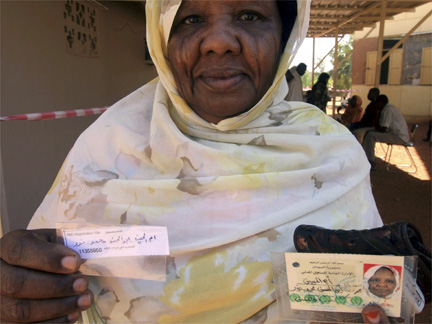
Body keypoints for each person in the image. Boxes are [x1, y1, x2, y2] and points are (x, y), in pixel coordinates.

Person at [0, 0, 383, 323]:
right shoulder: (109, 149)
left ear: (284, 35)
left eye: (249, 15)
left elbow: (371, 293)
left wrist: (385, 301)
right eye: (191, 19)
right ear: (162, 38)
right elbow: (52, 279)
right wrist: (25, 286)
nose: (218, 43)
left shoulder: (331, 155)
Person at [362, 95, 409, 170]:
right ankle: (367, 157)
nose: (376, 105)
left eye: (378, 103)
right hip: (396, 134)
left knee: (371, 135)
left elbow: (384, 128)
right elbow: (380, 126)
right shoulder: (387, 108)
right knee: (369, 133)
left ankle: (370, 160)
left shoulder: (388, 110)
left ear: (382, 102)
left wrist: (375, 129)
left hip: (399, 137)